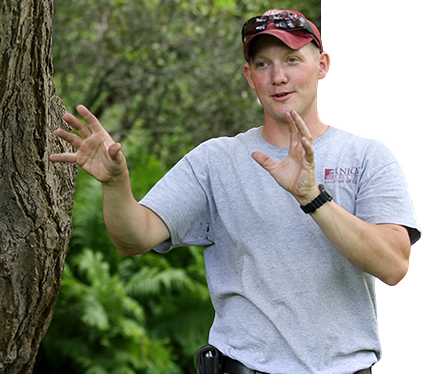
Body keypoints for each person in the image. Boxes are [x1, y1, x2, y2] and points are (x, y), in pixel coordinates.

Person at [49, 9, 421, 374]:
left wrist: (312, 197)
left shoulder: (367, 155)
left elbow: (394, 266)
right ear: (249, 76)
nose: (278, 77)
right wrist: (116, 184)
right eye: (263, 64)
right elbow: (134, 237)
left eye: (292, 60)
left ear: (322, 65)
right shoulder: (216, 161)